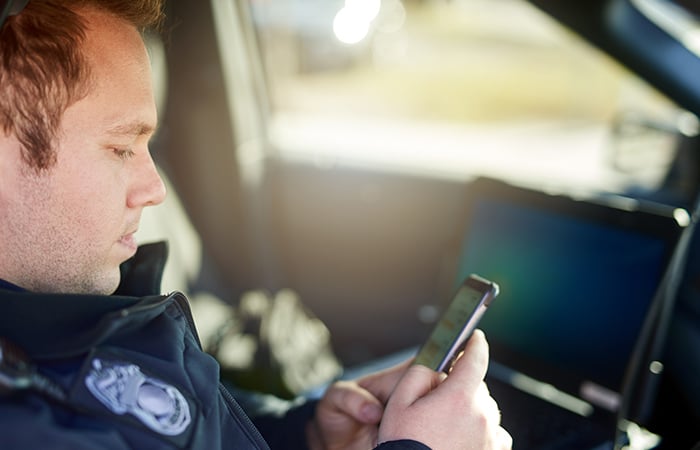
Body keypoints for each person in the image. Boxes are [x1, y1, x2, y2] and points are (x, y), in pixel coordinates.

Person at [0, 1, 513, 449]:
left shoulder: (76, 316)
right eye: (120, 148)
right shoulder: (22, 420)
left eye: (148, 147)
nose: (154, 189)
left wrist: (306, 434)